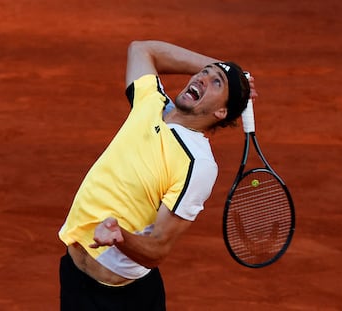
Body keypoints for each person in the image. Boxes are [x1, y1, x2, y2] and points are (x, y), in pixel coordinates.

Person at [58, 40, 256, 311]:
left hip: (121, 300)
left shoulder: (197, 164)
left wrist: (120, 237)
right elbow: (141, 49)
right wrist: (230, 71)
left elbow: (158, 249)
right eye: (204, 72)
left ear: (221, 112)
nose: (202, 78)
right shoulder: (150, 102)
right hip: (73, 277)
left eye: (217, 83)